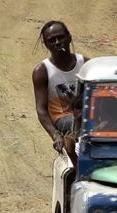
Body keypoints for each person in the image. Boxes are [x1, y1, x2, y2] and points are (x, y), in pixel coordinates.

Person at [32, 20, 89, 165]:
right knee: (84, 125)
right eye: (51, 40)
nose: (57, 42)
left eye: (60, 37)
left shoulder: (86, 64)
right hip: (63, 118)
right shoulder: (42, 71)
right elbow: (41, 110)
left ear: (69, 37)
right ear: (45, 44)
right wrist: (55, 134)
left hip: (87, 116)